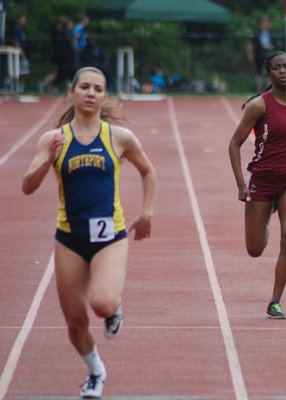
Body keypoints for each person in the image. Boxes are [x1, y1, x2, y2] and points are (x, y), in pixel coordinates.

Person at [21, 66, 156, 399]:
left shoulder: (118, 138)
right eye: (84, 87)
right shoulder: (54, 139)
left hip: (110, 236)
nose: (91, 93)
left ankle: (115, 307)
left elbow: (148, 171)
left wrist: (148, 213)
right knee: (75, 322)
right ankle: (96, 372)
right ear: (72, 92)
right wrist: (45, 160)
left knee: (101, 303)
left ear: (104, 96)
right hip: (70, 238)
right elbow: (27, 187)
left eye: (98, 88)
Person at [228, 51, 286, 319]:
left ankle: (275, 301)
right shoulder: (259, 106)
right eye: (276, 68)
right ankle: (265, 217)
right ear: (269, 75)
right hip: (262, 180)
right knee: (255, 250)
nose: (282, 71)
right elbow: (234, 144)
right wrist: (242, 185)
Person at [247, 15, 275, 92]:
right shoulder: (256, 34)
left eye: (266, 22)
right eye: (263, 22)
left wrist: (270, 47)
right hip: (259, 56)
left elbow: (275, 44)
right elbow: (252, 44)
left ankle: (269, 91)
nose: (265, 24)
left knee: (269, 73)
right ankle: (259, 91)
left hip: (269, 56)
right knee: (259, 73)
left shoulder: (272, 33)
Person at [11, 14, 29, 92]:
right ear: (18, 20)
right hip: (18, 53)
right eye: (22, 20)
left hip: (22, 51)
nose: (24, 22)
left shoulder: (20, 29)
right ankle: (16, 86)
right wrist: (21, 52)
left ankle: (19, 86)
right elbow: (15, 41)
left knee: (24, 70)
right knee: (19, 69)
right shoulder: (16, 29)